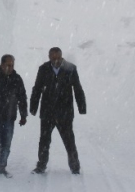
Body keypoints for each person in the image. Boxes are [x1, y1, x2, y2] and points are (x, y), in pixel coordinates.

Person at [30, 47, 86, 175]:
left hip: (65, 112)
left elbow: (77, 88)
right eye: (53, 57)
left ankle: (75, 166)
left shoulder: (70, 68)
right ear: (49, 57)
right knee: (44, 140)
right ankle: (41, 165)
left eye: (58, 57)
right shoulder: (43, 69)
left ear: (62, 56)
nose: (56, 60)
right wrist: (33, 107)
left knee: (69, 140)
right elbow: (37, 88)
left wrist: (81, 107)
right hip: (47, 112)